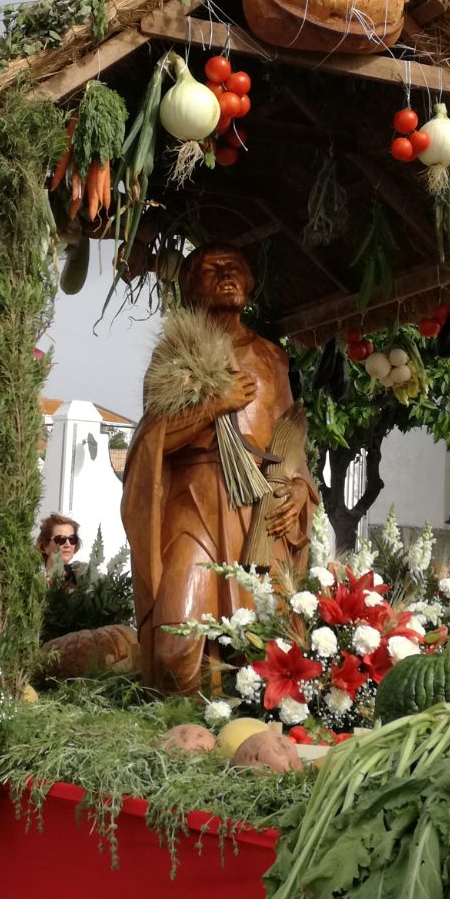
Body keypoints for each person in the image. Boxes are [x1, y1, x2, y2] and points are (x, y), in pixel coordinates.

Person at [121, 243, 317, 695]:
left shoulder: (273, 357)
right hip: (193, 504)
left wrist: (302, 490)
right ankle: (180, 739)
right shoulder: (173, 355)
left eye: (235, 268)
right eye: (212, 270)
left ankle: (240, 739)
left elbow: (291, 439)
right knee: (175, 650)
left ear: (249, 285)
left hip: (261, 514)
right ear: (190, 287)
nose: (227, 275)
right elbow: (153, 440)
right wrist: (215, 406)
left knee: (264, 648)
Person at [37, 513, 83, 586]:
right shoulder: (33, 578)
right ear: (45, 546)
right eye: (60, 539)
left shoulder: (80, 581)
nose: (67, 544)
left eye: (72, 539)